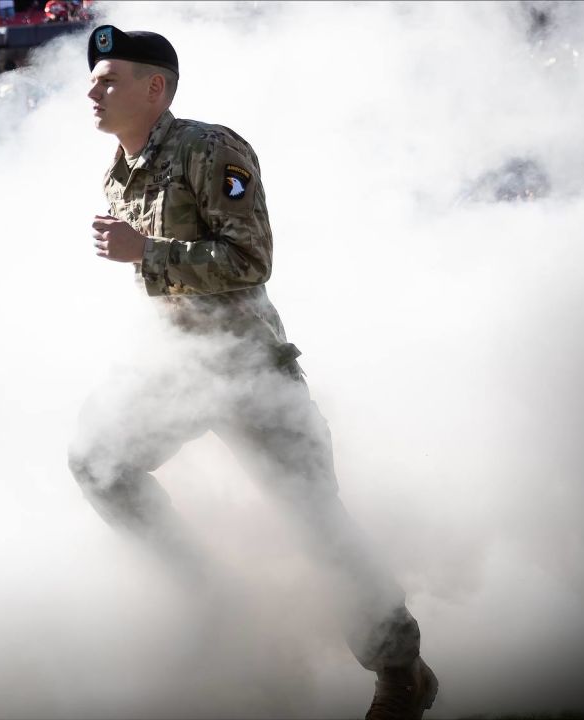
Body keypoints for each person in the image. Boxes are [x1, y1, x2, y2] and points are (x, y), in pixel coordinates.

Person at [75, 26, 436, 719]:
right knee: (97, 463)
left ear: (157, 88)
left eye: (109, 78)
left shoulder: (212, 148)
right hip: (180, 368)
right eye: (92, 80)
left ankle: (401, 672)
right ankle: (212, 597)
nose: (93, 90)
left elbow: (251, 260)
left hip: (250, 369)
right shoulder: (117, 174)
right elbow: (162, 290)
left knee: (316, 523)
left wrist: (147, 250)